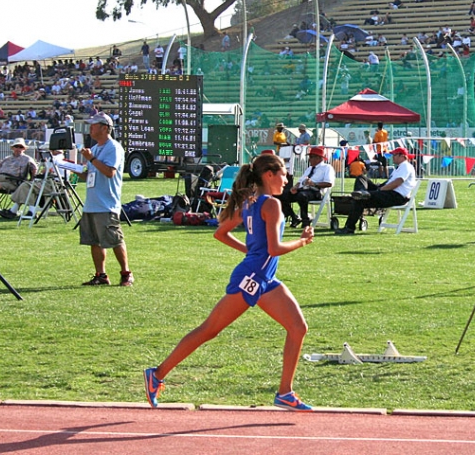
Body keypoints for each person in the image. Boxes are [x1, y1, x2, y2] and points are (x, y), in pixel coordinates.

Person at [143, 155, 314, 411]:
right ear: (269, 174)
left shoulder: (251, 202)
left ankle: (285, 392)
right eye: (284, 173)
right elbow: (275, 249)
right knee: (210, 329)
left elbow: (220, 232)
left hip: (263, 278)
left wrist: (252, 252)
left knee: (298, 327)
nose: (287, 178)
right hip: (253, 277)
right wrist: (301, 241)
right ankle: (156, 375)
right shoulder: (270, 205)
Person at [78, 113, 132, 286]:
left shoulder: (113, 148)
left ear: (104, 128)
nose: (90, 129)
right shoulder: (94, 148)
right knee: (94, 241)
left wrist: (91, 159)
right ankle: (101, 275)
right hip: (92, 203)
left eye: (93, 125)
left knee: (115, 240)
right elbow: (88, 175)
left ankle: (126, 274)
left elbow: (110, 172)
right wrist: (70, 167)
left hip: (106, 203)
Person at [335, 147, 417, 235]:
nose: (392, 157)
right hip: (389, 193)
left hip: (396, 196)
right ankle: (362, 193)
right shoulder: (400, 167)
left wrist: (381, 189)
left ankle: (349, 227)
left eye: (394, 155)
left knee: (359, 200)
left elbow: (397, 182)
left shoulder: (406, 166)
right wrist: (380, 187)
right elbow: (392, 182)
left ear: (402, 156)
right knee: (361, 178)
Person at [279, 146, 333, 228]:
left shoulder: (327, 168)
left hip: (316, 191)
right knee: (282, 195)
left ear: (319, 158)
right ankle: (294, 217)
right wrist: (295, 187)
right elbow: (301, 181)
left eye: (311, 157)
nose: (309, 159)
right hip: (303, 190)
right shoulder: (309, 168)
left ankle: (305, 220)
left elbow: (329, 183)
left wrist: (314, 184)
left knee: (302, 196)